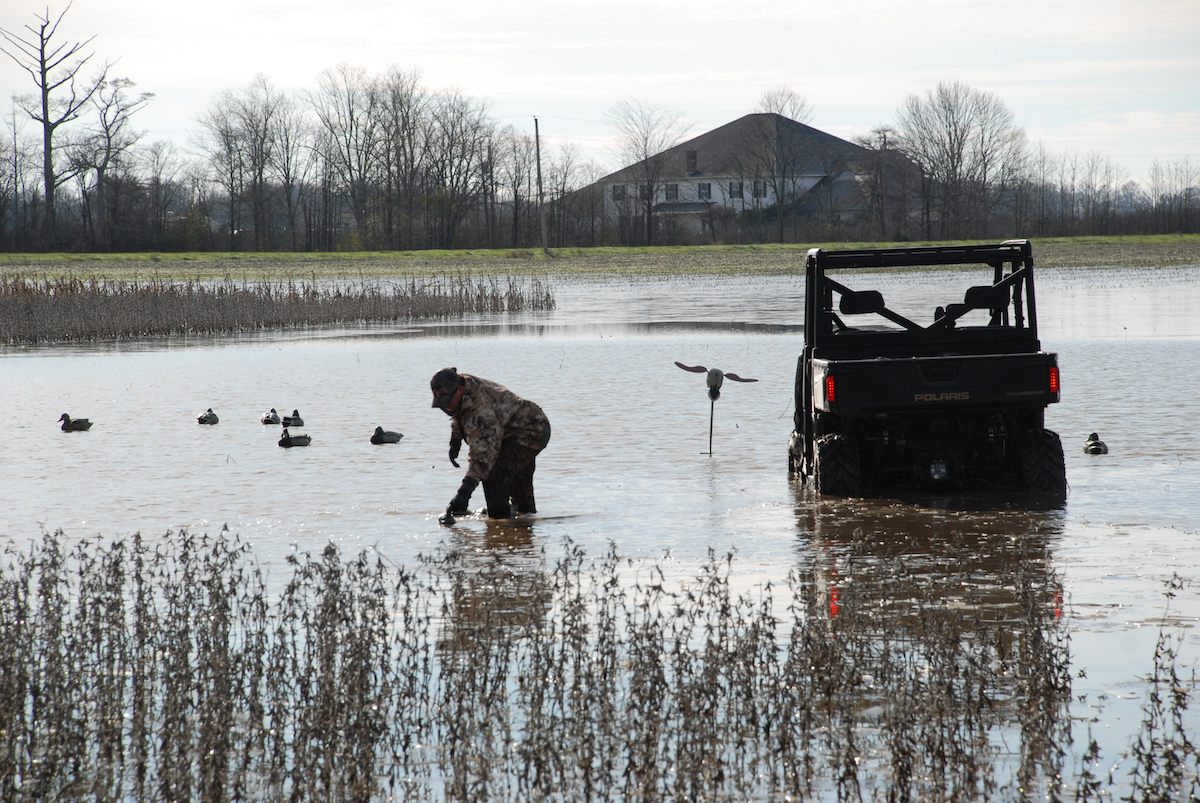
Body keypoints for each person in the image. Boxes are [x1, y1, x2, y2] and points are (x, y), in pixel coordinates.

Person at [431, 367, 551, 519]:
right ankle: (523, 532)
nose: (445, 406)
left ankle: (498, 525)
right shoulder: (462, 383)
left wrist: (464, 494)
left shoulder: (481, 412)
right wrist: (456, 439)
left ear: (459, 389)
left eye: (447, 401)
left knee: (494, 473)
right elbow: (460, 411)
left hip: (530, 431)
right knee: (522, 502)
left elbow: (483, 457)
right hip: (514, 428)